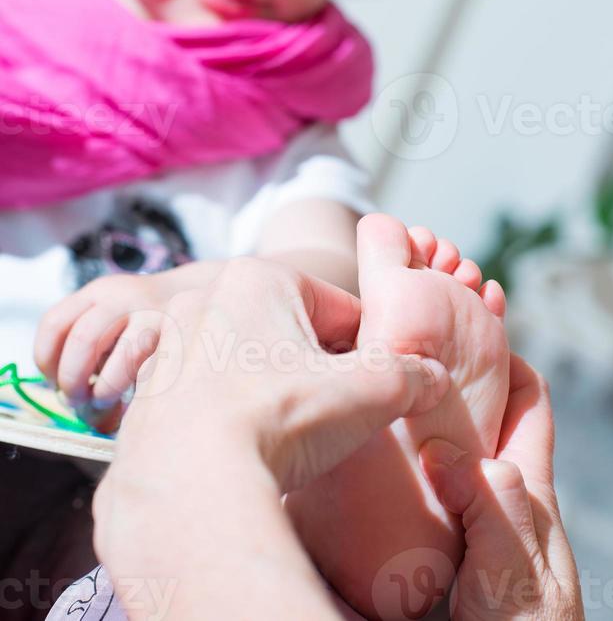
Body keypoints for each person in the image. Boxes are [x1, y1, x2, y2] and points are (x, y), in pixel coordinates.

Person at [0, 0, 442, 612]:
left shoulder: (288, 139)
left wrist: (216, 294)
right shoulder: (10, 30)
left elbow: (324, 276)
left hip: (116, 481)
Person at [46, 215, 584, 620]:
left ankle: (352, 536)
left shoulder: (293, 150)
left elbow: (320, 248)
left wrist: (176, 291)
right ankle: (366, 545)